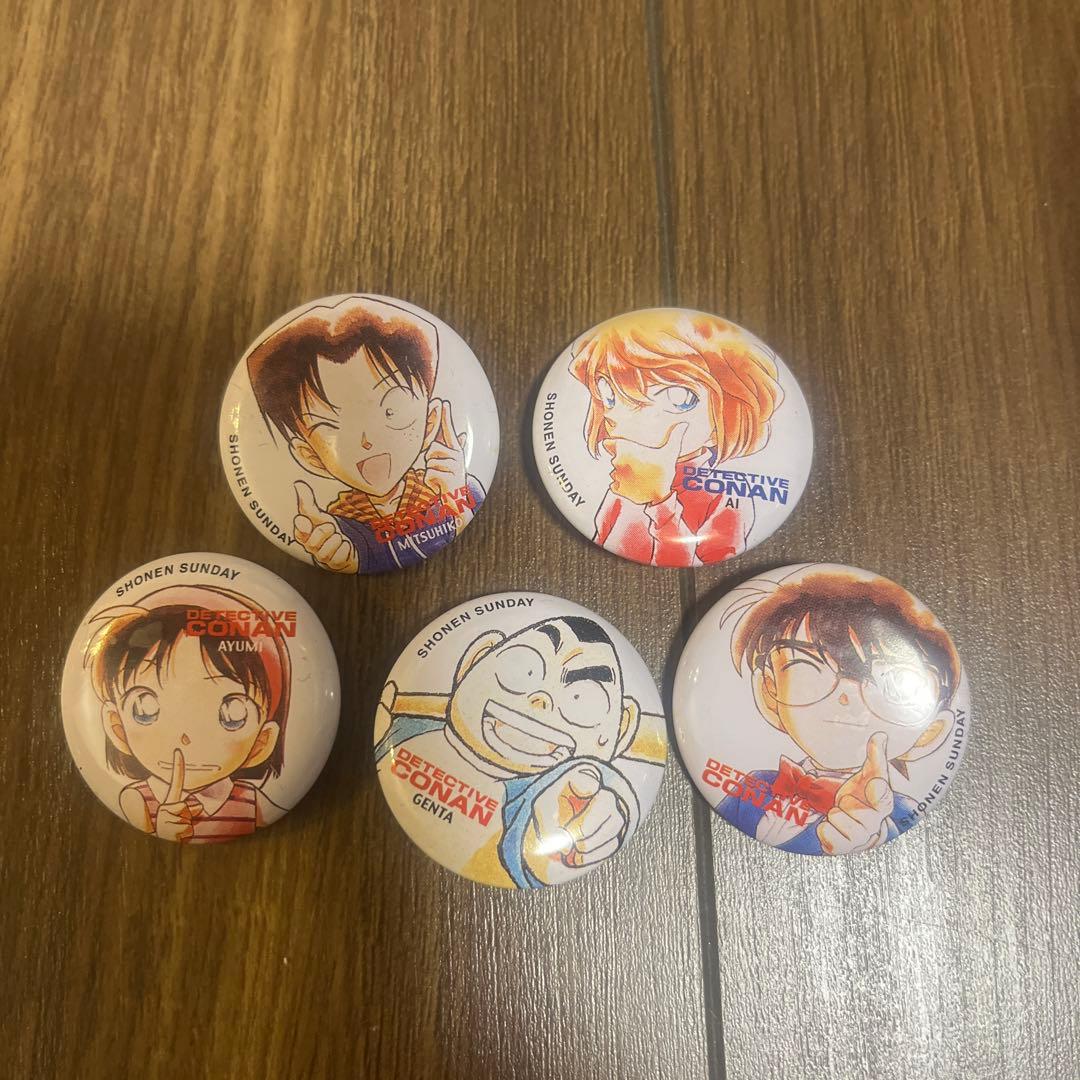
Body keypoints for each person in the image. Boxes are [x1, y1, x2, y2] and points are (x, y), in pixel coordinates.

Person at [375, 615, 665, 887]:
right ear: (474, 660)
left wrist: (587, 821)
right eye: (523, 669)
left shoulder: (548, 790)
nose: (541, 700)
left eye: (582, 698)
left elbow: (584, 790)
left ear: (621, 729)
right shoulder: (401, 726)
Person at [716, 568, 961, 854]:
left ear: (930, 731)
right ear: (769, 693)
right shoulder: (751, 787)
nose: (845, 696)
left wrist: (870, 834)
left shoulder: (895, 813)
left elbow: (890, 839)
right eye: (807, 668)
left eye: (889, 683)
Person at [247, 295, 484, 573]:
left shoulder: (453, 485)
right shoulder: (341, 527)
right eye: (332, 427)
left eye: (391, 411)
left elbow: (459, 515)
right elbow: (358, 552)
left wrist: (454, 499)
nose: (366, 440)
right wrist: (345, 556)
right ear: (310, 456)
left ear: (430, 422)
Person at [569, 309, 783, 566]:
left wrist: (661, 502)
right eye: (610, 395)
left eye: (680, 398)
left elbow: (702, 560)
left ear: (730, 416)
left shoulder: (726, 496)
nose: (630, 416)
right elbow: (604, 535)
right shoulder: (626, 479)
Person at [84, 584, 291, 843]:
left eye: (232, 715)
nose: (185, 737)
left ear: (262, 742)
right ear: (117, 728)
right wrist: (162, 828)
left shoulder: (251, 802)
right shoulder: (137, 800)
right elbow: (141, 842)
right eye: (145, 709)